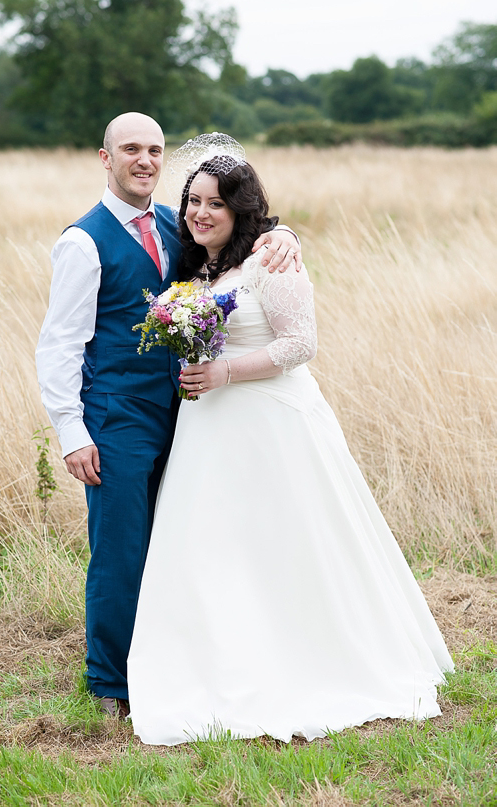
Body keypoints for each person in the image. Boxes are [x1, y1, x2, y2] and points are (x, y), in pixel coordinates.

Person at [126, 135, 454, 744]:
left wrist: (224, 369)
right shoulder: (196, 265)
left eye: (214, 205)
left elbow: (301, 343)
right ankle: (216, 657)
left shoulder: (272, 261)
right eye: (193, 201)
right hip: (209, 426)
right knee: (214, 544)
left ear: (240, 211)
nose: (199, 213)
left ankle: (307, 657)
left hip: (272, 423)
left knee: (285, 541)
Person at [35, 115, 302, 718]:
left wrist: (288, 238)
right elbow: (58, 345)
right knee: (121, 549)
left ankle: (170, 662)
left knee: (181, 543)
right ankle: (110, 684)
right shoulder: (83, 242)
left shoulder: (175, 222)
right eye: (131, 149)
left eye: (155, 150)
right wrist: (72, 432)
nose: (146, 160)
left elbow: (243, 246)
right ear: (105, 158)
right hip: (117, 419)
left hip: (188, 413)